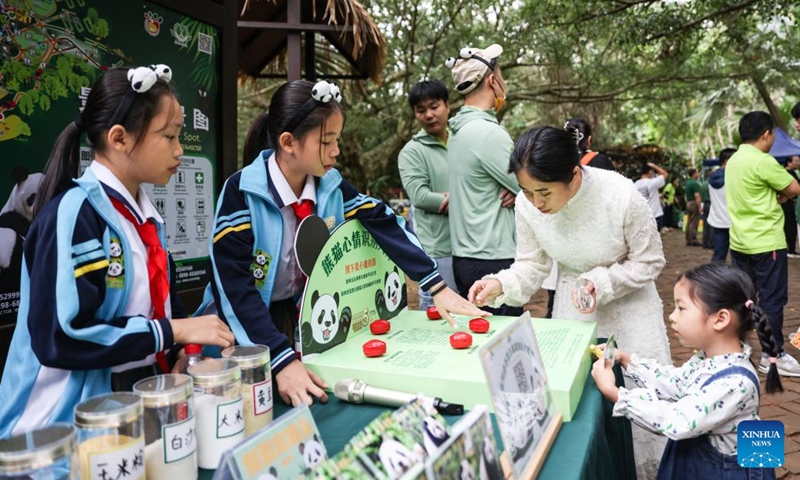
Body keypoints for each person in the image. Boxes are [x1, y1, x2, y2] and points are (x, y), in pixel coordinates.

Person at [197, 79, 487, 407]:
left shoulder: (330, 186)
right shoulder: (242, 193)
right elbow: (233, 288)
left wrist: (435, 284)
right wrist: (280, 358)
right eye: (326, 141)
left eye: (338, 139)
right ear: (289, 142)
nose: (336, 151)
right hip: (240, 328)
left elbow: (382, 218)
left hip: (299, 316)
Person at [0, 65, 235, 437]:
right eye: (169, 135)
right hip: (55, 435)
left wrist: (176, 355)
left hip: (124, 421)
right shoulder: (74, 215)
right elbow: (63, 334)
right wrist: (172, 332)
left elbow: (161, 306)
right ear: (119, 138)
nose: (179, 150)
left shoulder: (142, 217)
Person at [468, 126, 671, 479]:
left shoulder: (621, 195)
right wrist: (500, 283)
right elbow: (532, 264)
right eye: (526, 192)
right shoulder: (527, 205)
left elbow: (650, 261)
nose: (535, 203)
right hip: (575, 315)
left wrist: (602, 282)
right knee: (585, 413)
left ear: (574, 175)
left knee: (639, 414)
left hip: (631, 314)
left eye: (543, 192)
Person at [592, 262, 781, 480]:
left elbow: (678, 420)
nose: (672, 316)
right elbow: (676, 382)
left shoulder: (736, 383)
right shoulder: (706, 359)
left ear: (720, 319)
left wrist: (615, 393)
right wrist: (627, 360)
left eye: (681, 308)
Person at [444, 44, 521, 316]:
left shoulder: (457, 131)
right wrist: (521, 192)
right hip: (493, 258)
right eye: (500, 73)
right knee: (503, 349)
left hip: (464, 257)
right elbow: (532, 188)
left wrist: (518, 190)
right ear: (492, 80)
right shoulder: (489, 134)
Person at [726, 111, 800, 376]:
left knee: (746, 299)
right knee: (771, 300)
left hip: (740, 242)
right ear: (767, 134)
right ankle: (773, 355)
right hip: (766, 242)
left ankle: (741, 349)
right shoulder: (762, 160)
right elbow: (793, 188)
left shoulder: (733, 161)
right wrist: (778, 195)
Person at [398, 80, 456, 310]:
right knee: (439, 312)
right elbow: (420, 197)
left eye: (434, 106)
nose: (429, 115)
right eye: (421, 110)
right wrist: (467, 200)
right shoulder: (412, 152)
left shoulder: (462, 140)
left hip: (470, 245)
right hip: (438, 249)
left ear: (448, 106)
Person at [706, 148, 735, 263]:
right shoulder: (733, 177)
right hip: (733, 221)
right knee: (737, 256)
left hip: (717, 220)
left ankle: (716, 279)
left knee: (719, 255)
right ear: (728, 160)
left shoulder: (711, 177)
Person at [634, 162, 668, 231]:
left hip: (642, 216)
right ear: (649, 172)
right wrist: (654, 165)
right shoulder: (652, 182)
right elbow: (665, 174)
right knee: (655, 239)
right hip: (655, 214)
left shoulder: (636, 184)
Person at [782, 155, 800, 257]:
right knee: (790, 227)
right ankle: (791, 250)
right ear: (789, 162)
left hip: (785, 204)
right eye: (796, 161)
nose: (798, 163)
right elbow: (796, 188)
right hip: (789, 205)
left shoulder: (783, 172)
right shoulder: (790, 173)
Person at [683, 168, 702, 246]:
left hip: (688, 203)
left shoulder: (687, 183)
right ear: (694, 174)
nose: (698, 174)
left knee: (689, 221)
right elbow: (697, 196)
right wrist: (699, 206)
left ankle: (688, 238)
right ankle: (693, 239)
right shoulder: (695, 183)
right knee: (694, 221)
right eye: (697, 172)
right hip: (694, 203)